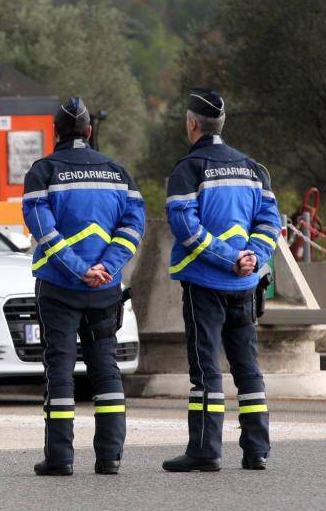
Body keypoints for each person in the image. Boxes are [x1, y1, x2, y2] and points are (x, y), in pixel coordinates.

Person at [22, 97, 145, 476]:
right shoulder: (118, 172)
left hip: (59, 287)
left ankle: (60, 458)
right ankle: (110, 457)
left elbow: (44, 232)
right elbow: (133, 227)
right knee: (106, 370)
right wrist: (104, 269)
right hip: (105, 290)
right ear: (89, 132)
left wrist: (78, 270)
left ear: (55, 132)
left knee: (59, 370)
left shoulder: (43, 172)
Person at [161, 88, 281, 473]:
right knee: (248, 367)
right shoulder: (253, 168)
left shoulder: (188, 169)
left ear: (192, 123)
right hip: (246, 286)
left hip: (204, 284)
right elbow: (270, 223)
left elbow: (185, 227)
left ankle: (205, 450)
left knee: (206, 368)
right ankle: (257, 450)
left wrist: (230, 261)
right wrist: (252, 259)